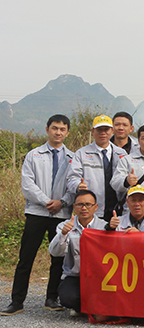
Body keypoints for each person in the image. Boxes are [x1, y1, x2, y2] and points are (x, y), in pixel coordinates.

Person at [3, 114, 74, 316]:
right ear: (47, 129)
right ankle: (17, 301)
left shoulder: (73, 158)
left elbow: (74, 185)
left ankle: (52, 298)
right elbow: (27, 184)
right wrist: (46, 202)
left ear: (67, 132)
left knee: (58, 258)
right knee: (26, 257)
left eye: (62, 129)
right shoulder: (33, 155)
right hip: (36, 213)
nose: (58, 132)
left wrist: (62, 202)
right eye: (55, 128)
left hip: (61, 213)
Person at [48, 191, 108, 315]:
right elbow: (55, 252)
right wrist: (63, 234)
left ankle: (95, 308)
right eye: (80, 204)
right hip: (75, 276)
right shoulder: (64, 226)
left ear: (95, 207)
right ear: (74, 207)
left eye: (88, 204)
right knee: (68, 298)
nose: (84, 208)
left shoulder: (105, 227)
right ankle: (83, 308)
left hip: (100, 277)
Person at [67, 115, 128, 222]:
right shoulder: (81, 154)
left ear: (112, 131)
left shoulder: (121, 154)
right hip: (92, 210)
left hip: (117, 209)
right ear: (93, 131)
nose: (103, 133)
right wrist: (78, 185)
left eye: (106, 129)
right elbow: (72, 178)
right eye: (99, 129)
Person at [110, 124, 144, 219]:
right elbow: (114, 183)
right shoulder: (127, 160)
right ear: (138, 140)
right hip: (133, 214)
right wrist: (126, 181)